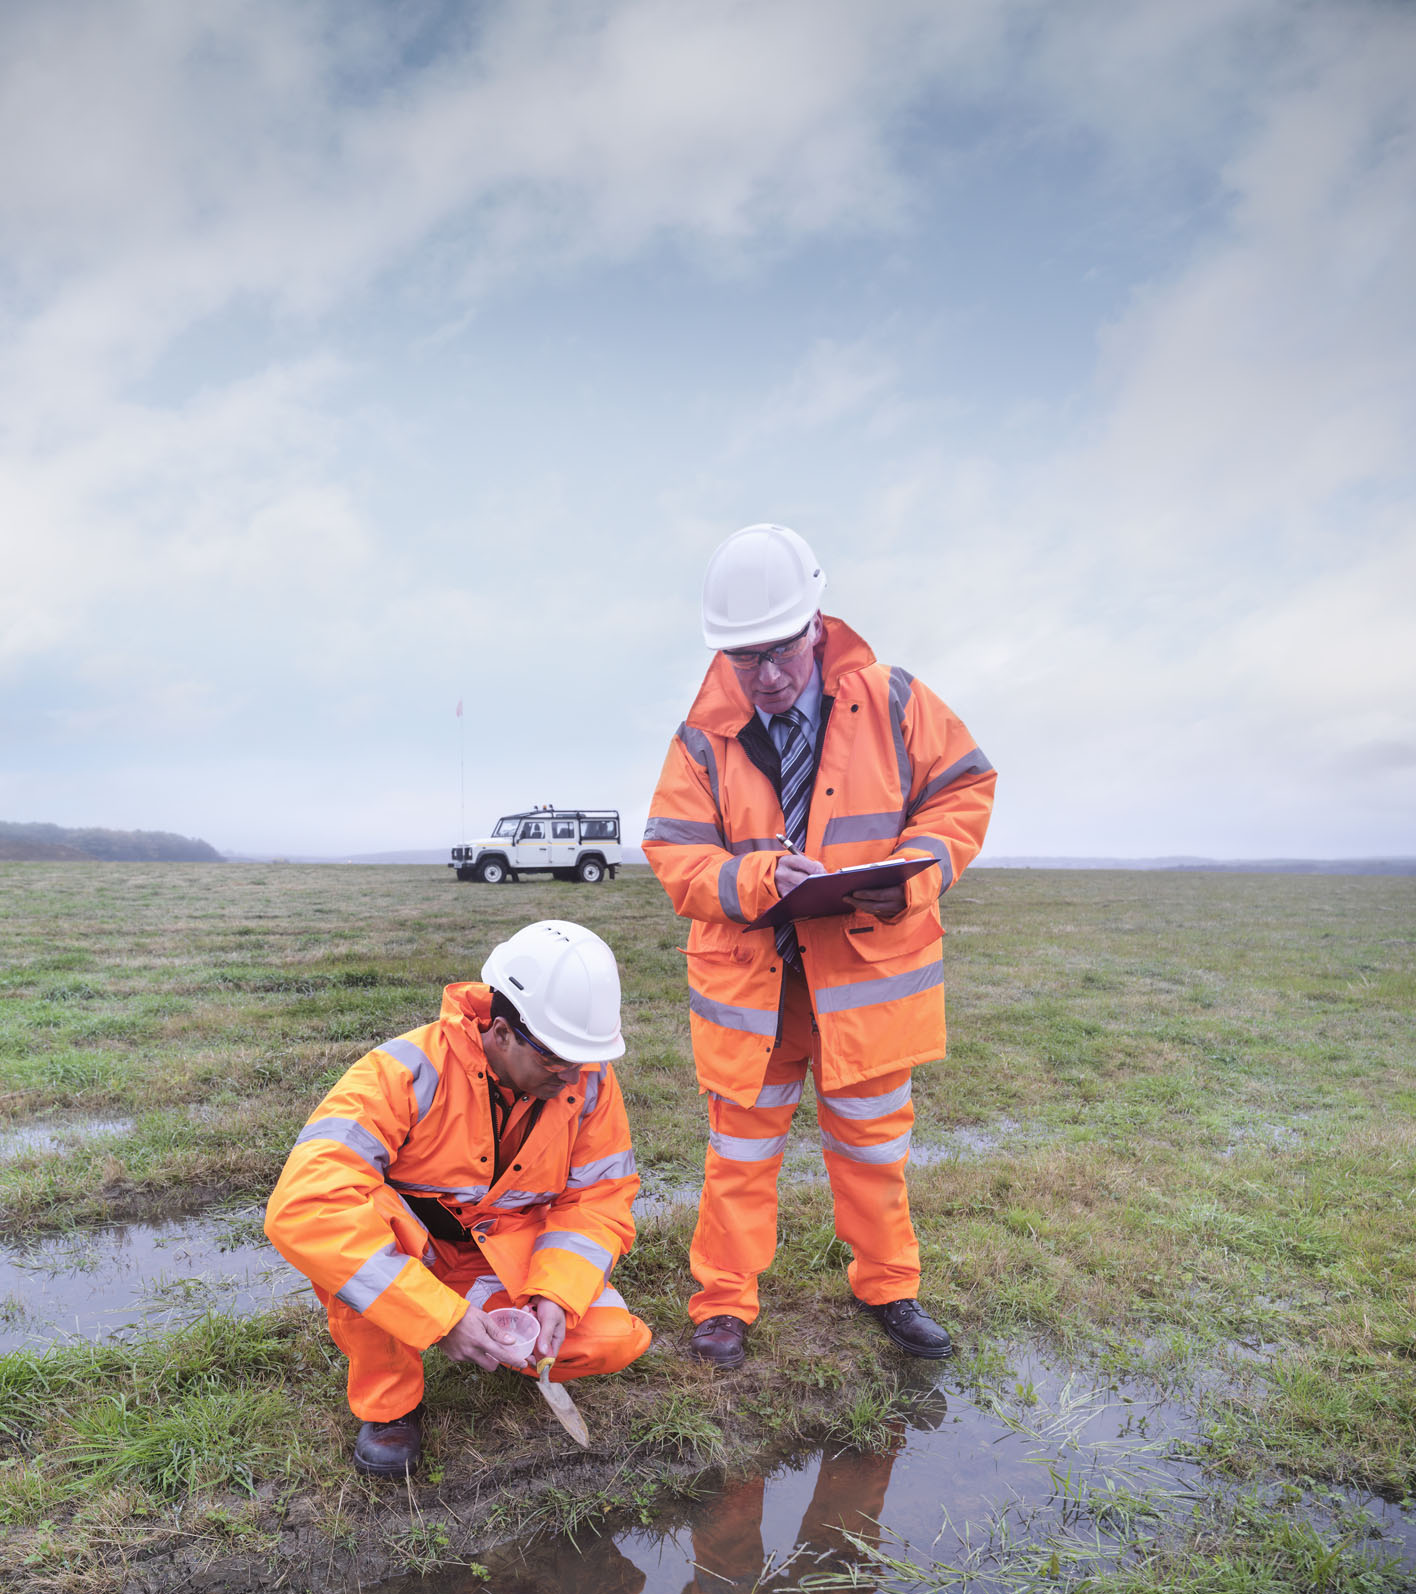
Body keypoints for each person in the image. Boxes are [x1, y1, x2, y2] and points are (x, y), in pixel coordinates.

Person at [643, 523, 996, 1369]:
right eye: (743, 658)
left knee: (875, 1146)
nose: (765, 676)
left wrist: (917, 875)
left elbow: (964, 790)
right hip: (754, 991)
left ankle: (889, 1288)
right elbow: (674, 853)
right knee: (740, 1153)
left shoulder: (897, 700)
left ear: (815, 625)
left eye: (778, 651)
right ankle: (723, 1304)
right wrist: (760, 879)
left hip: (865, 980)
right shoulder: (701, 735)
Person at [264, 920, 653, 1476]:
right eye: (554, 1060)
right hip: (414, 1255)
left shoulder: (586, 1078)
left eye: (581, 1060)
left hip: (502, 1253)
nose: (570, 1076)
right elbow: (306, 1206)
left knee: (611, 1340)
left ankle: (500, 1334)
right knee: (358, 1230)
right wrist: (440, 1318)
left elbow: (599, 1197)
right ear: (499, 1032)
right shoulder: (400, 1073)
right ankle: (391, 1406)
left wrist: (557, 1294)